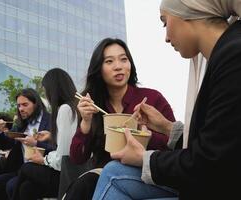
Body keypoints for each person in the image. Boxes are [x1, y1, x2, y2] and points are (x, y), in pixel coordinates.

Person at [93, 0, 241, 199]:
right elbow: (219, 141)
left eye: (164, 22)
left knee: (112, 174)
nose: (166, 38)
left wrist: (144, 159)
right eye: (109, 61)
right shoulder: (225, 55)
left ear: (188, 12)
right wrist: (166, 127)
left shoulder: (233, 57)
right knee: (109, 173)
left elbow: (211, 160)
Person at [64, 38, 176, 199]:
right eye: (109, 61)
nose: (118, 66)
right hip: (104, 175)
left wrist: (143, 135)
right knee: (85, 185)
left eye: (124, 59)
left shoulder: (151, 98)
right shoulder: (93, 104)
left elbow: (174, 145)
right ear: (99, 69)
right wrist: (86, 122)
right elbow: (77, 157)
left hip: (147, 175)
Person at [12, 68, 78, 200]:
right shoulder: (74, 107)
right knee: (27, 188)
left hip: (68, 175)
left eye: (46, 90)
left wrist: (43, 160)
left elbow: (63, 158)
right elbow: (70, 141)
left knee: (27, 168)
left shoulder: (65, 110)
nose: (46, 94)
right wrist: (51, 135)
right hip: (71, 171)